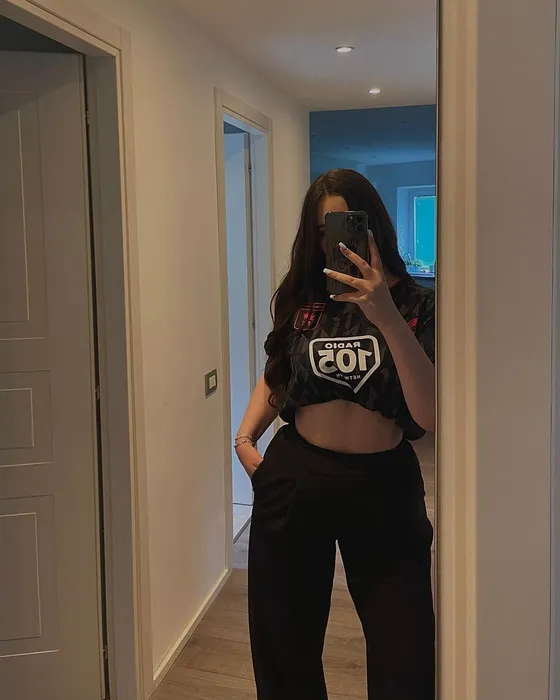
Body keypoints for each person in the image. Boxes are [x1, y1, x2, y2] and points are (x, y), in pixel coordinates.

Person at [234, 169, 435, 700]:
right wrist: (244, 440)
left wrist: (385, 315)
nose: (337, 243)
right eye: (324, 231)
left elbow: (431, 414)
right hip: (297, 475)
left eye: (349, 227)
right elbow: (277, 373)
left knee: (405, 647)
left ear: (374, 227)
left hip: (384, 484)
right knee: (284, 644)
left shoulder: (418, 305)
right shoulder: (305, 299)